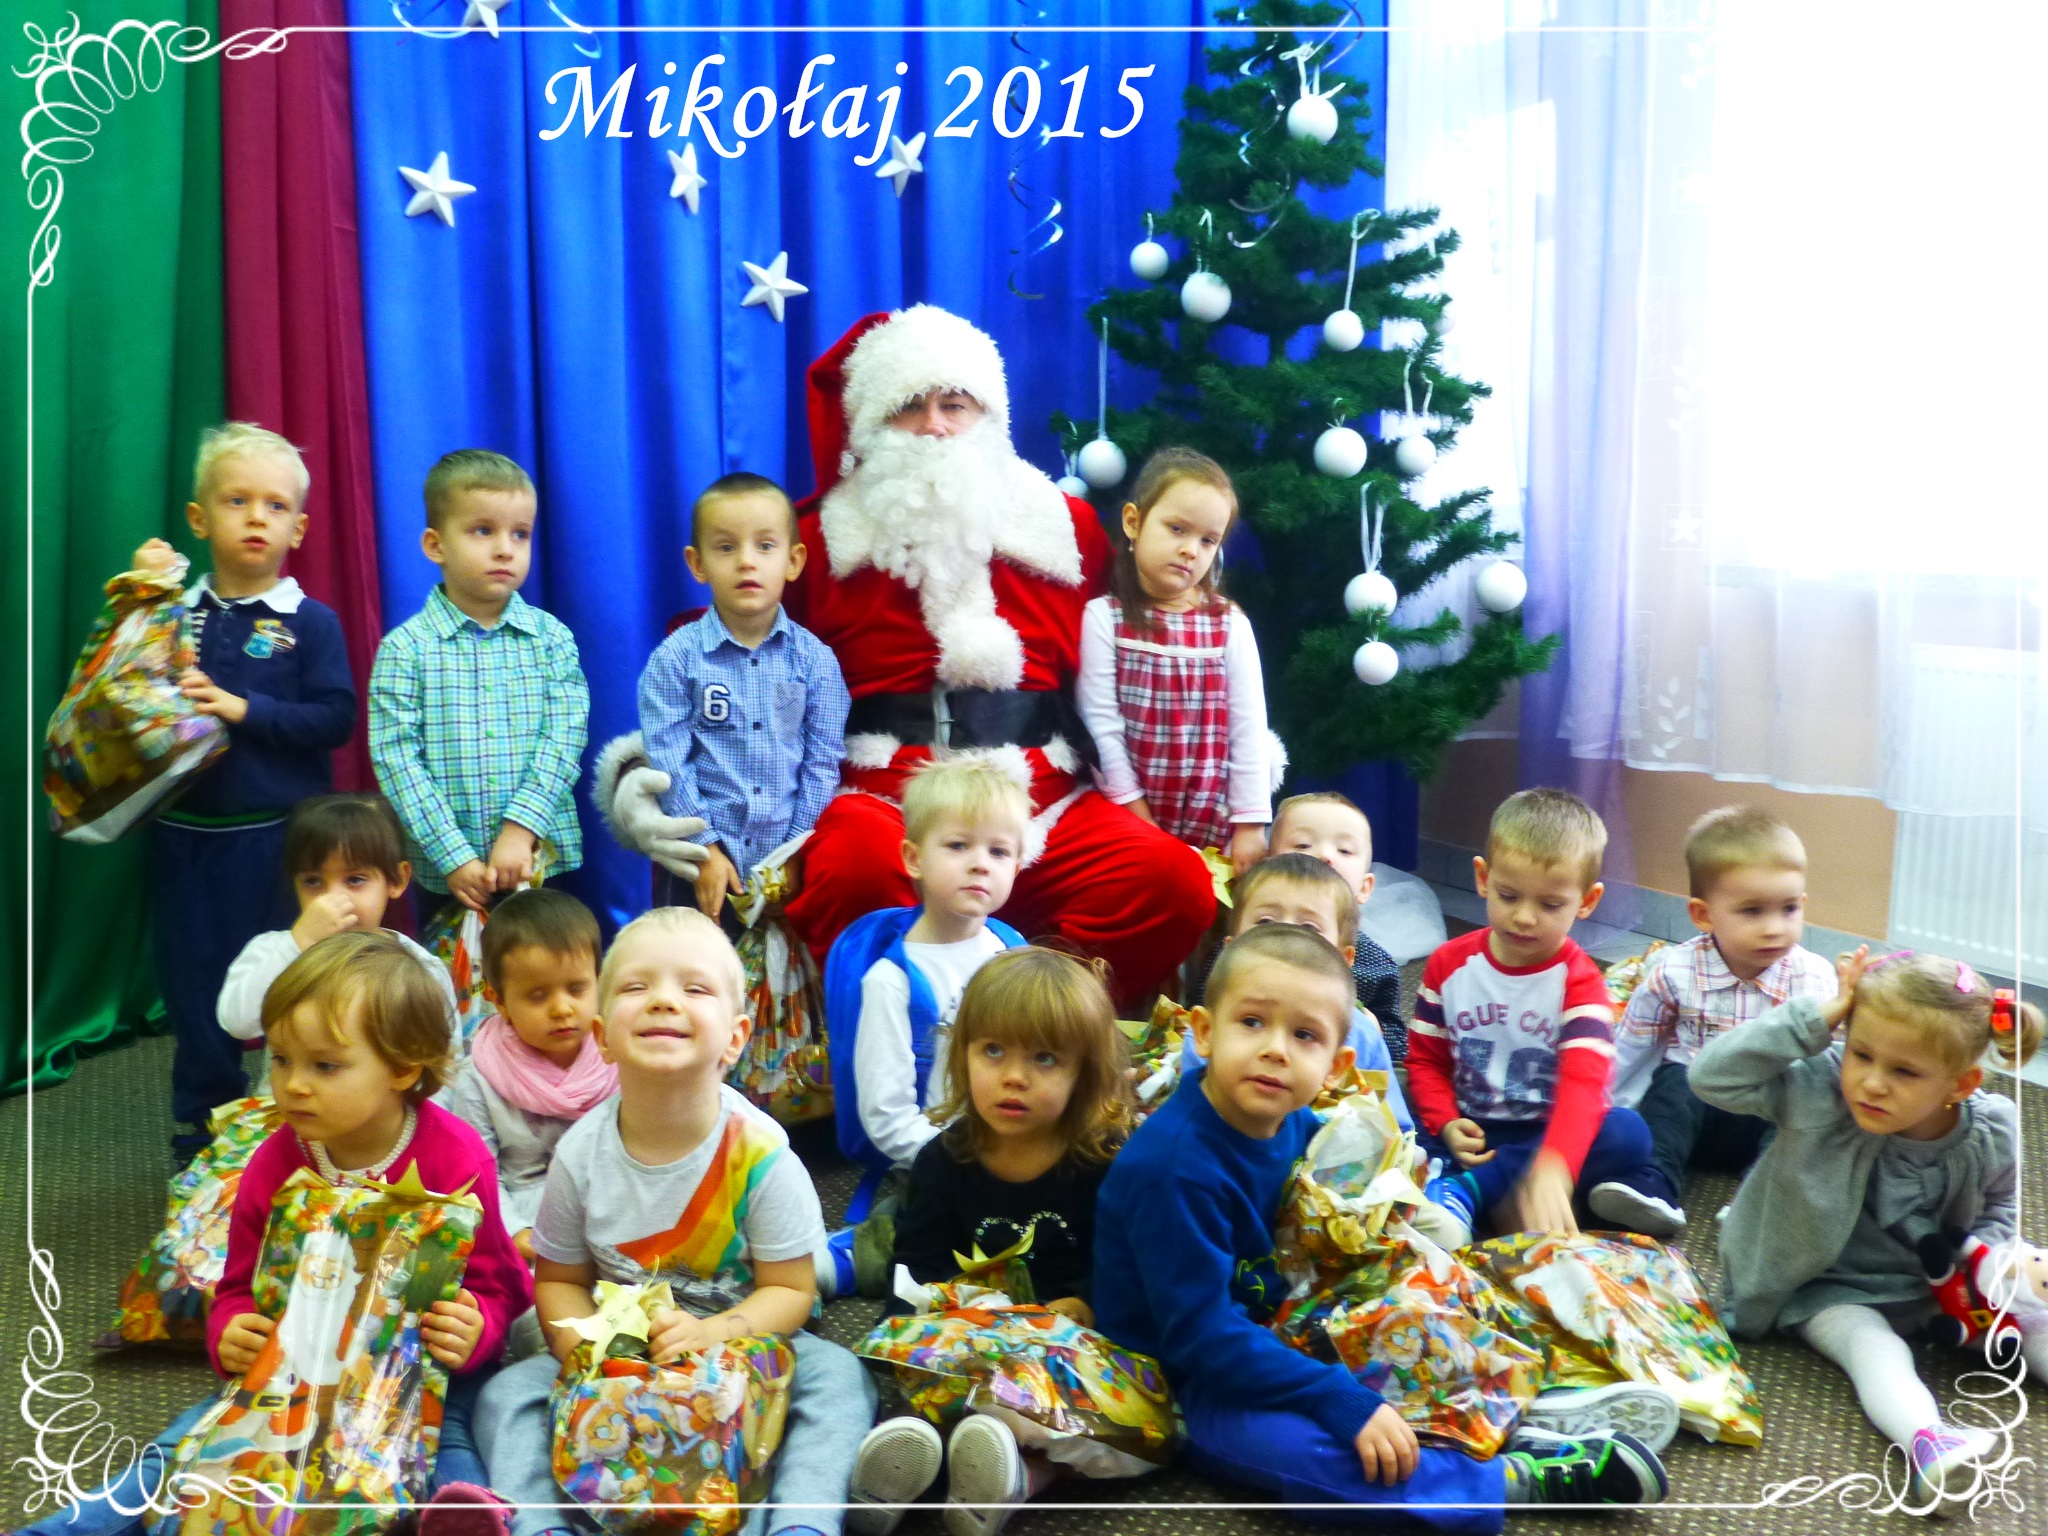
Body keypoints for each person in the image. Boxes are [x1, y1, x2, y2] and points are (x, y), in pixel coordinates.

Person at [593, 306, 1214, 1009]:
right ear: (869, 422)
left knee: (1172, 883)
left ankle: (1030, 1018)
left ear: (990, 414)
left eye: (955, 404)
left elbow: (1135, 663)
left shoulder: (1064, 527)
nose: (936, 426)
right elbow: (720, 664)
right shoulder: (813, 541)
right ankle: (905, 1043)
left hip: (1043, 793)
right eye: (910, 407)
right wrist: (646, 780)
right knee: (856, 868)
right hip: (883, 793)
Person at [1092, 923, 1670, 1528]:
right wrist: (1336, 1397)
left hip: (1284, 1319)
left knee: (1434, 1287)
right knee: (1317, 1458)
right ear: (1205, 1033)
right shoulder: (1175, 1168)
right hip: (1184, 1377)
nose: (1276, 1050)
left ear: (1336, 1065)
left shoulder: (1292, 1120)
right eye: (1252, 1022)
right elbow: (1201, 1338)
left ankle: (1508, 1410)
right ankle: (1504, 1477)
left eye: (1304, 1035)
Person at [15, 933, 535, 1536]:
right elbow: (239, 1286)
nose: (293, 1084)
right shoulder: (274, 1162)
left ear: (402, 1067)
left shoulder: (456, 1158)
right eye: (282, 1058)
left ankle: (463, 1515)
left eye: (324, 1065)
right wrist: (230, 1330)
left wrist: (476, 1326)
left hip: (416, 1375)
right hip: (293, 1372)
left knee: (449, 1440)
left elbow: (502, 1286)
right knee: (185, 1443)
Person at [472, 907, 875, 1536]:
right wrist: (586, 1352)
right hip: (620, 1359)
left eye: (694, 988)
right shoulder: (579, 1157)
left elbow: (790, 1290)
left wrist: (713, 1334)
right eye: (637, 987)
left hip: (741, 1348)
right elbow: (558, 1280)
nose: (664, 1000)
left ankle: (800, 1522)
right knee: (508, 1393)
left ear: (735, 1038)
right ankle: (542, 1525)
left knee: (838, 1378)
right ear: (602, 1036)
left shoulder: (762, 1155)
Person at [1692, 948, 2040, 1504]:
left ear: (1960, 1085)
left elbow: (2001, 1208)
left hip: (1940, 1286)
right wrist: (1820, 1017)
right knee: (1871, 1347)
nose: (1872, 1083)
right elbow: (1710, 1077)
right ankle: (1929, 1442)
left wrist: (1989, 1265)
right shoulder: (1819, 1090)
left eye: (1904, 1071)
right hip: (1828, 1287)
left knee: (2036, 1313)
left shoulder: (1991, 1129)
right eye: (1861, 1053)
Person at [846, 947, 1141, 1536]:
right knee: (924, 1376)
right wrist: (929, 1332)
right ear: (963, 1054)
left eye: (1045, 1058)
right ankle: (914, 1460)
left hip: (1069, 1354)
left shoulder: (1104, 1163)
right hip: (969, 1344)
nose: (1014, 1076)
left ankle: (1009, 1475)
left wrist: (1084, 1303)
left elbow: (1126, 1269)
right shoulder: (942, 1161)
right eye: (993, 1051)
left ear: (1084, 1074)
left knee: (1121, 1428)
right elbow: (913, 1278)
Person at [130, 422, 356, 1162]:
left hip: (283, 844)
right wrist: (141, 592)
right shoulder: (171, 614)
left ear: (299, 528)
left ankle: (303, 1133)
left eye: (275, 505)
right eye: (237, 501)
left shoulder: (311, 623)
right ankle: (203, 1140)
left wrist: (242, 709)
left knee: (295, 985)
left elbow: (335, 718)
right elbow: (122, 687)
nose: (257, 517)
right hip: (185, 840)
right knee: (197, 993)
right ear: (199, 519)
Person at [1407, 790, 1661, 1239]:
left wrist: (1555, 1163)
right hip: (1472, 1129)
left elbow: (1584, 1084)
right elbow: (1426, 1060)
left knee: (1628, 1133)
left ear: (1587, 901)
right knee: (1402, 1119)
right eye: (1508, 896)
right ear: (1483, 878)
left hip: (1548, 1134)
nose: (1524, 918)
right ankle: (1508, 1193)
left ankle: (1470, 1192)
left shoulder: (1580, 983)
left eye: (1550, 905)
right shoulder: (1447, 964)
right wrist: (1446, 1121)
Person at [369, 450, 588, 917]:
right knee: (453, 967)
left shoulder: (552, 639)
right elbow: (397, 759)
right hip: (451, 875)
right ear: (435, 546)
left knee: (545, 962)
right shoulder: (404, 649)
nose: (505, 549)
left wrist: (521, 829)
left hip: (538, 859)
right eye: (483, 530)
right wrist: (453, 855)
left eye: (520, 533)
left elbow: (564, 739)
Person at [1604, 807, 1837, 1236]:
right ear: (1703, 914)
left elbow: (1829, 1065)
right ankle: (1654, 1185)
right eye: (1752, 911)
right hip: (1696, 1102)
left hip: (1767, 1108)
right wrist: (1603, 1107)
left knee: (1798, 1114)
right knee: (1671, 1093)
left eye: (1788, 909)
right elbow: (1633, 1043)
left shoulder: (1813, 978)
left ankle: (1756, 1202)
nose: (1774, 928)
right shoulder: (1675, 970)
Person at [637, 472, 850, 921]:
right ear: (697, 564)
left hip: (784, 865)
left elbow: (822, 762)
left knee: (782, 968)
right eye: (726, 548)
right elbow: (668, 759)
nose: (747, 562)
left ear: (794, 561)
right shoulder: (674, 659)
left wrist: (794, 852)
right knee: (689, 962)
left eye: (765, 546)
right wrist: (705, 849)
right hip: (698, 867)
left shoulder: (816, 661)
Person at [828, 760, 1031, 1179]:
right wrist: (969, 1164)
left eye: (998, 852)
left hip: (1020, 1146)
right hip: (942, 1165)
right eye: (958, 845)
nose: (980, 864)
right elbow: (887, 1118)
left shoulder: (1013, 952)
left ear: (1015, 867)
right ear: (914, 858)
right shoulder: (892, 982)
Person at [1074, 446, 1272, 874]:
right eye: (1177, 529)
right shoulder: (1104, 618)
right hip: (1128, 815)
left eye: (1207, 540)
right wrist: (1138, 819)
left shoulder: (1229, 624)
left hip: (1213, 820)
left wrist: (1250, 824)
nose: (1190, 550)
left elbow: (1249, 728)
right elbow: (1101, 729)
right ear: (1133, 522)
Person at [217, 793, 458, 1095]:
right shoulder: (278, 951)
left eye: (355, 880)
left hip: (384, 1117)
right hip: (294, 1109)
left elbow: (442, 1061)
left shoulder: (419, 968)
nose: (331, 899)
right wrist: (299, 943)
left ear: (397, 880)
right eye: (313, 881)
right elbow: (238, 1022)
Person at [436, 888, 613, 1257]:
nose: (562, 1009)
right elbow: (477, 1174)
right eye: (537, 995)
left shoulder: (620, 1059)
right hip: (523, 1229)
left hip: (613, 1217)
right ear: (499, 1000)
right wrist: (517, 1234)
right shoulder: (478, 1078)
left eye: (576, 989)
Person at [1268, 791, 1409, 1061]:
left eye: (1344, 850)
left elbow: (1397, 1044)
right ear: (1267, 865)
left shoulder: (1374, 963)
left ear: (1365, 887)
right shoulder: (1246, 939)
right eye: (1303, 845)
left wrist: (1374, 1028)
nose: (1324, 855)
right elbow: (1205, 1009)